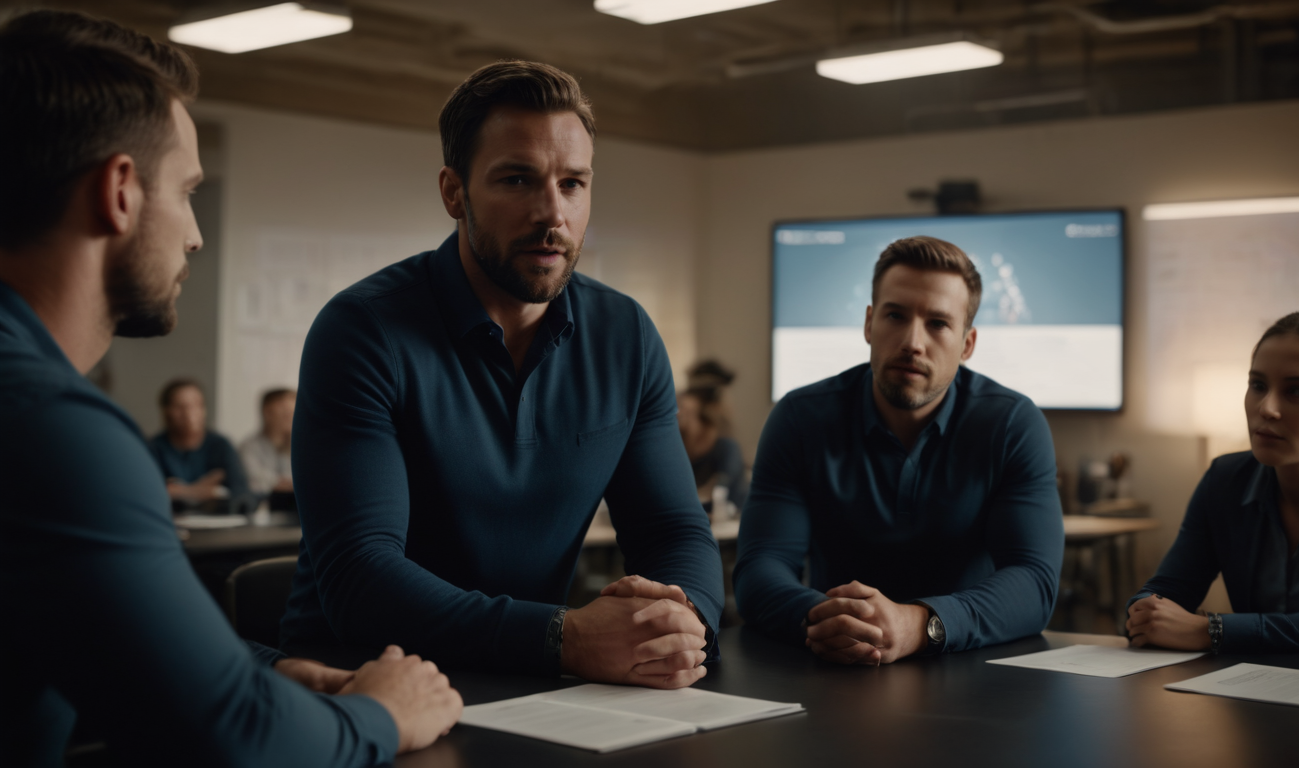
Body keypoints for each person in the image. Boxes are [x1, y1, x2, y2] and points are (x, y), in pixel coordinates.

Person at [0, 11, 461, 766]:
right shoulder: (50, 426)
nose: (195, 234)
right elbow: (238, 741)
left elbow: (94, 624)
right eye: (186, 193)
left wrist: (262, 669)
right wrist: (385, 712)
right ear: (119, 192)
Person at [279, 60, 723, 688]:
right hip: (361, 683)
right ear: (453, 192)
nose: (552, 214)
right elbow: (360, 578)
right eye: (518, 179)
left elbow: (673, 530)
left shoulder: (626, 334)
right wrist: (564, 636)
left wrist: (682, 626)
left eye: (572, 183)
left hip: (536, 676)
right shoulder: (363, 330)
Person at [734, 236, 1064, 664]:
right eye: (895, 315)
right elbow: (760, 568)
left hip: (971, 674)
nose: (913, 341)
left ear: (967, 344)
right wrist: (825, 620)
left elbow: (1033, 583)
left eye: (938, 324)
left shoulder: (1012, 424)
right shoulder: (800, 418)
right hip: (833, 668)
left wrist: (919, 624)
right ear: (870, 323)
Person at [1127, 310, 1299, 654]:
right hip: (1250, 695)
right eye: (1258, 385)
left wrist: (1214, 631)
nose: (1267, 408)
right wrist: (1146, 613)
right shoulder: (1225, 480)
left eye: (1298, 391)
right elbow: (1168, 589)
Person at [147, 377, 249, 507]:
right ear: (166, 411)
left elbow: (241, 493)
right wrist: (194, 491)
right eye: (180, 406)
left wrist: (178, 490)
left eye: (196, 405)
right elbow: (149, 493)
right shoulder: (154, 448)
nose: (188, 413)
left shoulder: (220, 445)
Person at [677, 371, 749, 512]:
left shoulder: (727, 448)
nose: (676, 412)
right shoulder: (677, 450)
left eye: (681, 407)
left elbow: (717, 494)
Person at [239, 387, 298, 509]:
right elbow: (251, 480)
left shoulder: (301, 448)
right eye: (285, 414)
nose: (290, 418)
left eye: (293, 413)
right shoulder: (249, 447)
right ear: (267, 412)